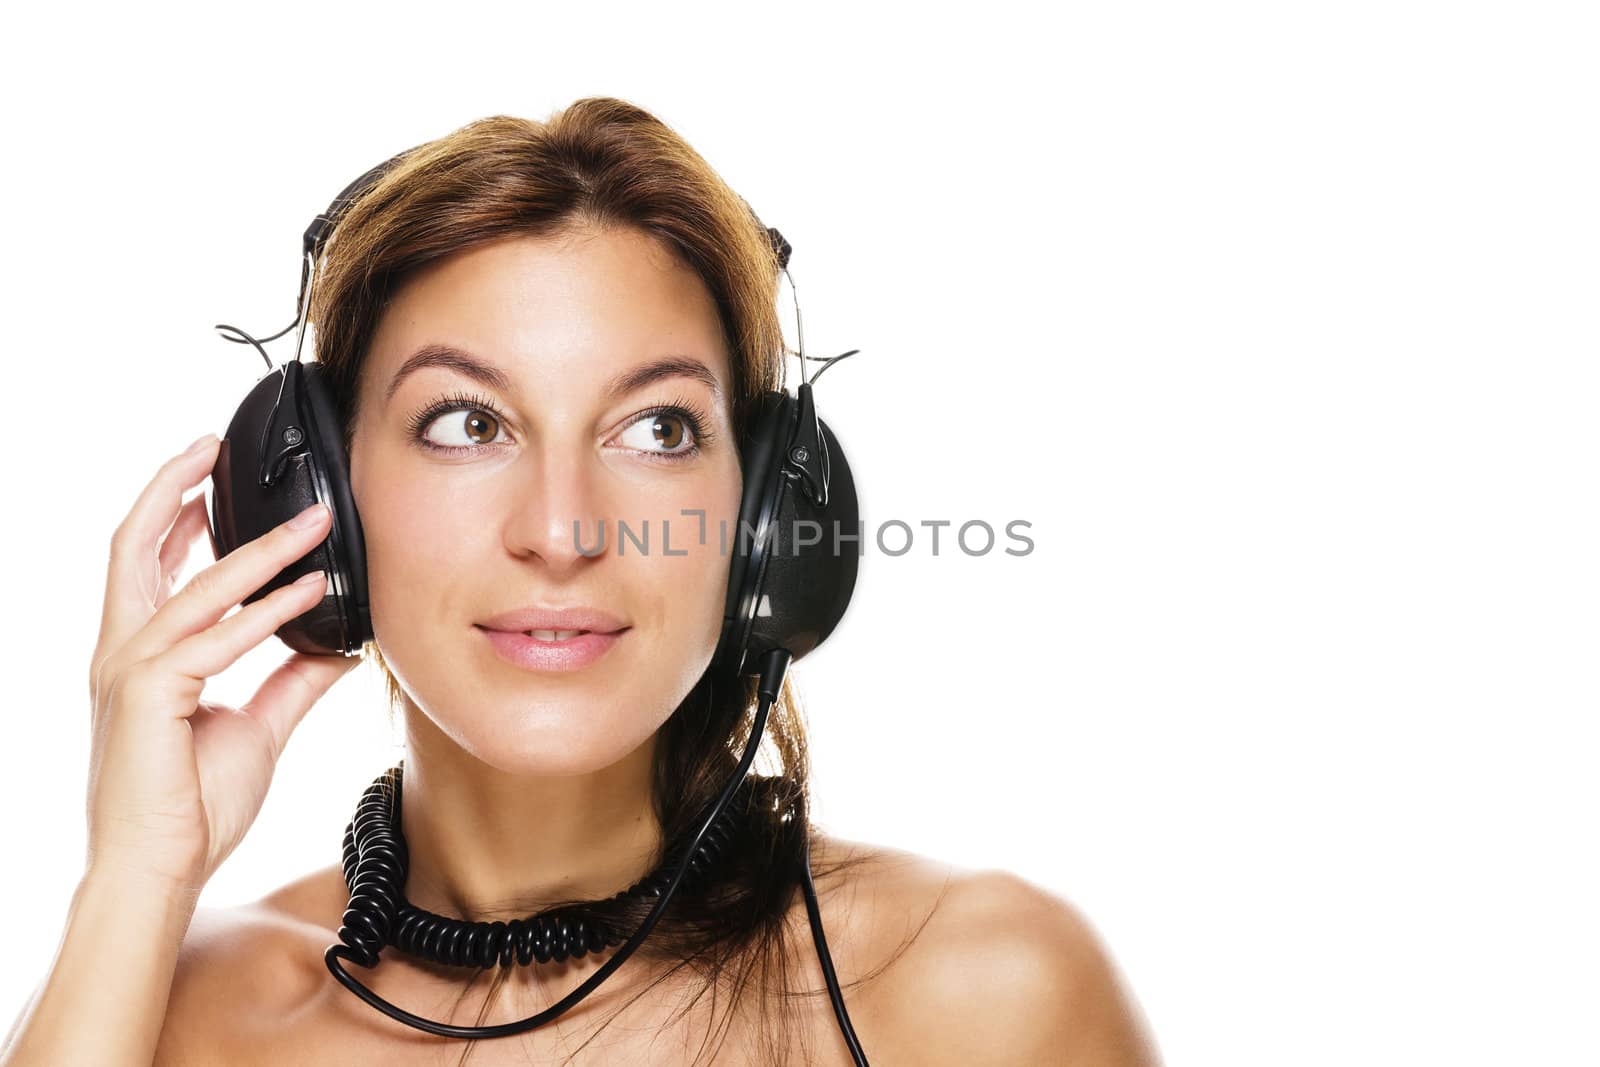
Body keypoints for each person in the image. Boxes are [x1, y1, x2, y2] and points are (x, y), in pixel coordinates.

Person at [0, 98, 1160, 1066]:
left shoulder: (987, 994)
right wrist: (136, 874)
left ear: (765, 519)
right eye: (465, 422)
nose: (561, 531)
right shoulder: (172, 1008)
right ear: (320, 501)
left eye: (656, 427)